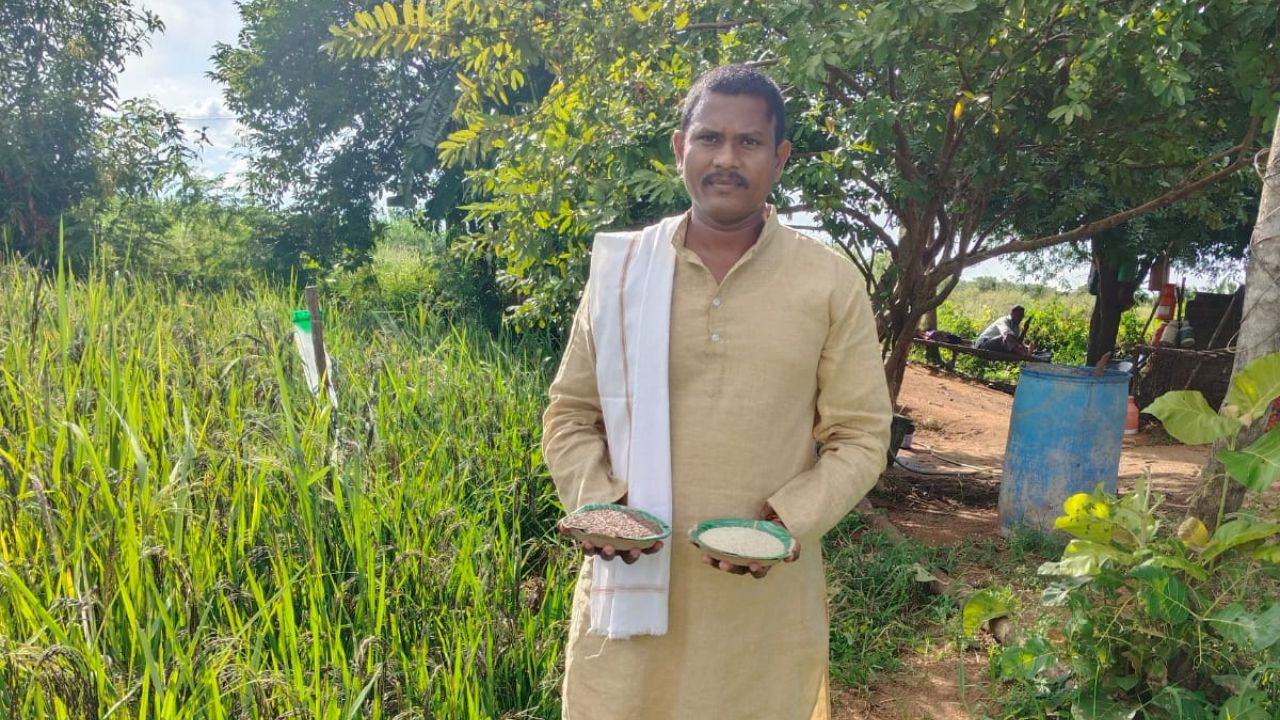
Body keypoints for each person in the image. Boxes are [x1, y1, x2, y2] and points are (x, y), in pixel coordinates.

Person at [541, 64, 892, 719]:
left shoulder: (827, 283)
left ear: (780, 157)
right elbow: (571, 413)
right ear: (680, 148)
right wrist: (601, 507)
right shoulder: (622, 273)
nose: (726, 159)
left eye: (749, 142)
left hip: (759, 608)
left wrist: (787, 523)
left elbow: (862, 435)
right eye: (709, 138)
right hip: (630, 590)